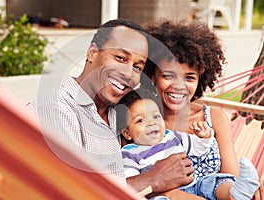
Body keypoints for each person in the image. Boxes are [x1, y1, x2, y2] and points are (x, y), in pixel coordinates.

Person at [28, 19, 199, 199]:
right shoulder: (56, 109)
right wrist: (153, 179)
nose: (127, 73)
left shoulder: (121, 111)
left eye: (137, 67)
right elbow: (68, 190)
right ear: (92, 53)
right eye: (120, 58)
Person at [142, 18, 263, 199]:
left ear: (200, 79)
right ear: (153, 74)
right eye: (169, 75)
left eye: (189, 78)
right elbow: (136, 176)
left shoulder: (214, 117)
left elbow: (231, 178)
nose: (179, 86)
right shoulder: (140, 118)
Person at [117, 87, 259, 199]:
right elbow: (133, 184)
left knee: (214, 181)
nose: (151, 123)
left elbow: (198, 148)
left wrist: (204, 137)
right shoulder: (129, 153)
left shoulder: (171, 137)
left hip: (195, 184)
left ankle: (236, 194)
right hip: (164, 194)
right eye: (140, 120)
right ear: (127, 133)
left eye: (155, 116)